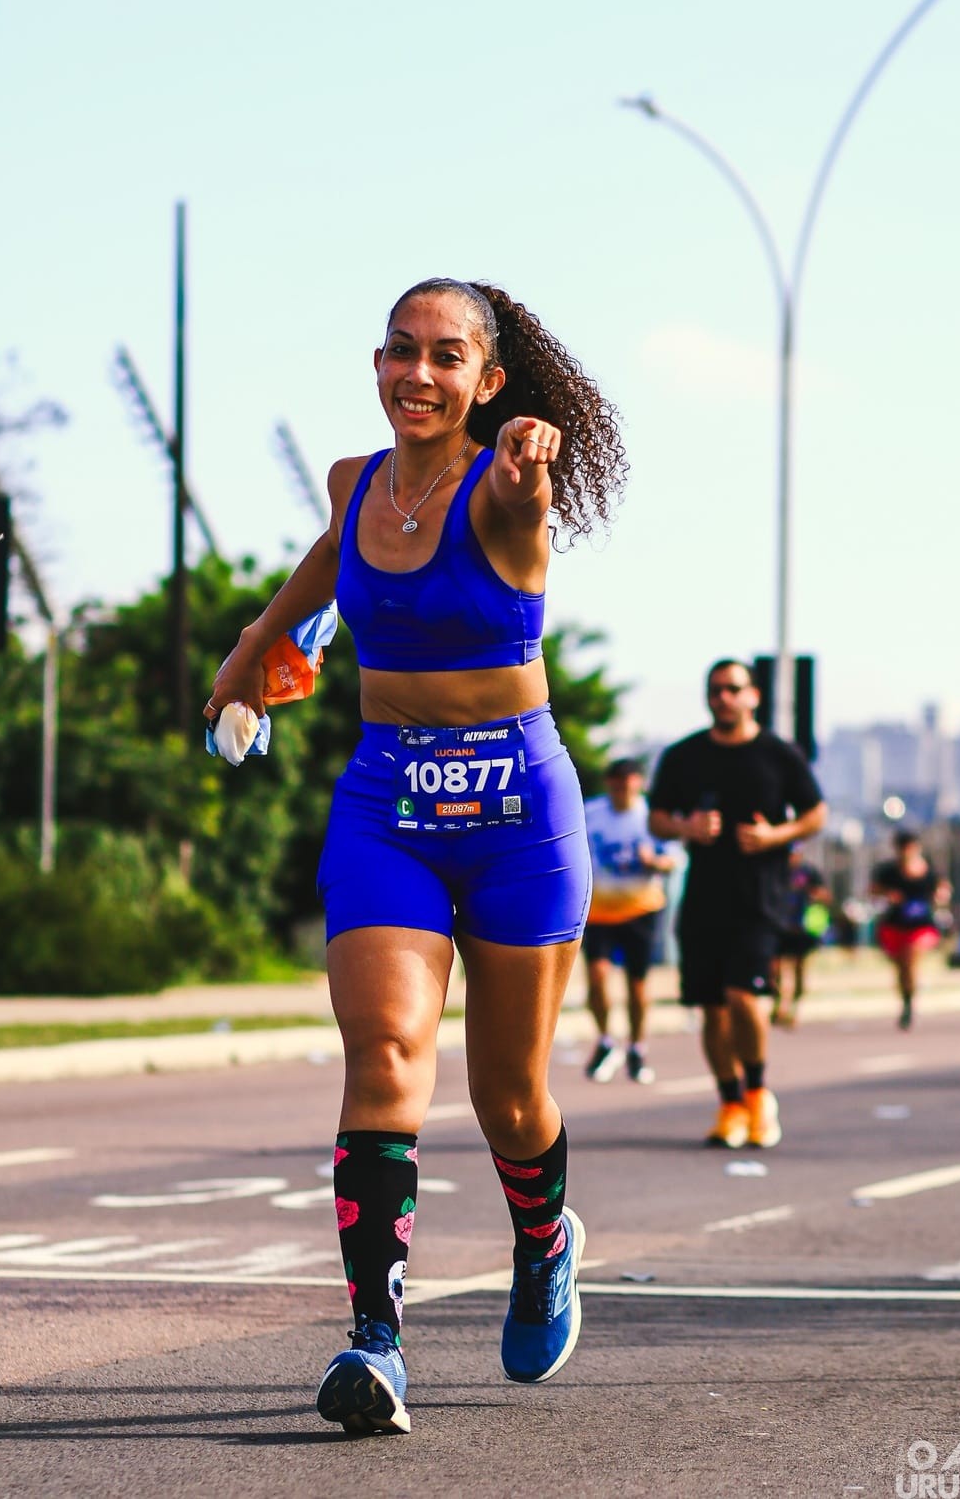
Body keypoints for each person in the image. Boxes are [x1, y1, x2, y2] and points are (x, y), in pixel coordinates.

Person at [206, 278, 627, 1436]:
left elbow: (526, 501)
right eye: (401, 351)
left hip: (515, 812)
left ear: (486, 384)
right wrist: (253, 651)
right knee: (385, 1056)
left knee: (507, 1096)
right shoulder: (355, 484)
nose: (419, 374)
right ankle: (374, 1346)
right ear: (378, 364)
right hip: (388, 801)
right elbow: (329, 559)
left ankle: (544, 1242)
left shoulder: (501, 486)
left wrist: (534, 463)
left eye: (447, 358)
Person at [647, 660, 827, 1149]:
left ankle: (757, 1095)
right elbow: (657, 817)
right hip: (704, 896)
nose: (723, 697)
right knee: (711, 1008)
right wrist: (686, 828)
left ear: (753, 697)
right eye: (715, 690)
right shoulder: (685, 755)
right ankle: (729, 1104)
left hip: (759, 897)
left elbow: (815, 813)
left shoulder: (778, 754)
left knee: (743, 996)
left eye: (733, 689)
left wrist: (777, 834)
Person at [582, 758, 675, 1084]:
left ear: (639, 784)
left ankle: (637, 1045)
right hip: (599, 910)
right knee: (596, 976)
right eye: (616, 783)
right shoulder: (591, 813)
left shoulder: (651, 816)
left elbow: (673, 859)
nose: (622, 789)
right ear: (609, 784)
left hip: (641, 909)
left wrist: (656, 862)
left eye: (629, 782)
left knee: (637, 986)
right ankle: (607, 1039)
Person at [870, 829, 951, 1029]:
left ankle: (910, 1002)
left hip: (921, 926)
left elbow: (943, 887)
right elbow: (873, 889)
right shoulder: (888, 871)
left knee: (911, 958)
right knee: (902, 968)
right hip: (895, 925)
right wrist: (888, 894)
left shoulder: (929, 870)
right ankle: (907, 1001)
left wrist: (941, 895)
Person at [770, 845, 831, 1028]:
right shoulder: (775, 871)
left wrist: (816, 895)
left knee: (799, 969)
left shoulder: (809, 872)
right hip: (780, 926)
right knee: (775, 970)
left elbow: (825, 896)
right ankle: (778, 1004)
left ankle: (794, 1008)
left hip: (802, 929)